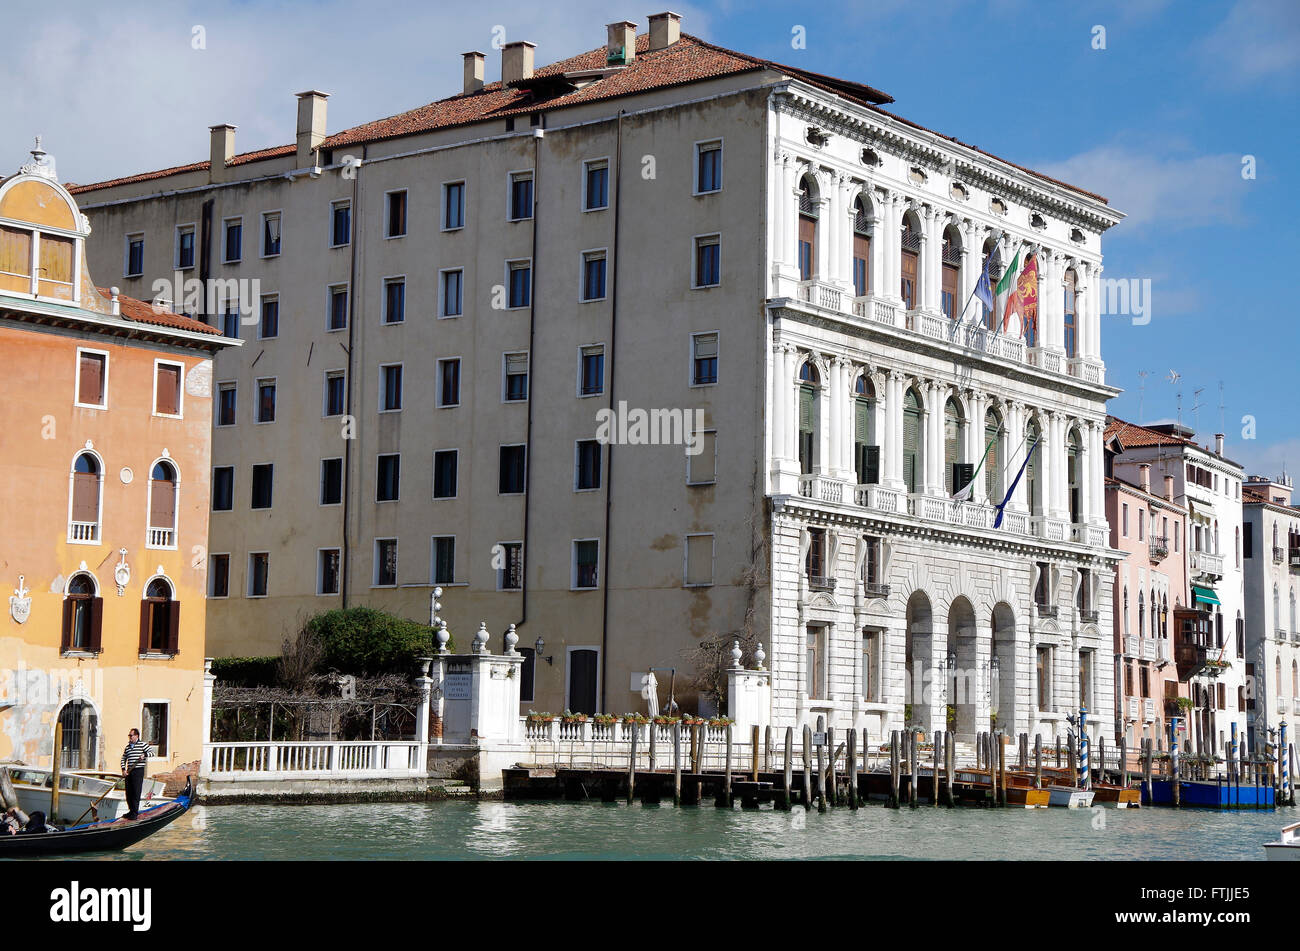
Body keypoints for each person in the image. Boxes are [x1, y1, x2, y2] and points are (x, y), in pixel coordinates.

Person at [120, 728, 152, 820]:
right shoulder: (127, 747)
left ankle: (135, 813)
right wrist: (123, 769)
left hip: (138, 771)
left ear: (136, 736)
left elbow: (151, 753)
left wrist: (144, 755)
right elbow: (123, 759)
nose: (129, 737)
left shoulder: (142, 745)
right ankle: (131, 811)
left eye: (131, 735)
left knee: (136, 792)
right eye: (129, 735)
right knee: (128, 792)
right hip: (129, 772)